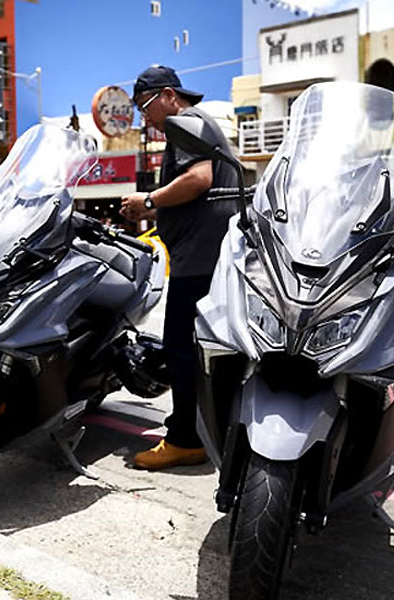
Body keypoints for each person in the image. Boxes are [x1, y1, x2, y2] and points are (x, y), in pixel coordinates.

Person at [120, 65, 239, 470]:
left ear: (169, 95)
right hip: (209, 254)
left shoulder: (184, 122)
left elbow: (199, 179)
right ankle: (204, 430)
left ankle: (186, 439)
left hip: (199, 260)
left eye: (145, 105)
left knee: (180, 349)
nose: (145, 117)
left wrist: (148, 201)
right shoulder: (200, 123)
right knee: (203, 349)